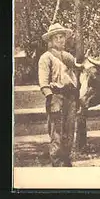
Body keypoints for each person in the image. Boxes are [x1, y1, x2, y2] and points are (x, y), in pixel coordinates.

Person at [38, 23, 79, 166]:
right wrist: (50, 97)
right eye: (57, 37)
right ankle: (57, 162)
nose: (61, 40)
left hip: (70, 97)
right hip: (56, 96)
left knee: (69, 130)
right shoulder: (46, 57)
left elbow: (77, 72)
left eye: (63, 37)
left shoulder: (68, 57)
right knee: (57, 132)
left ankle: (67, 160)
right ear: (51, 40)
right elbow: (43, 81)